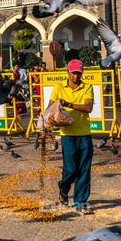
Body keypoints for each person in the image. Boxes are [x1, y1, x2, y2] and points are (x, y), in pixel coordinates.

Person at [47, 59, 96, 215]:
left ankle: (81, 201)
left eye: (78, 73)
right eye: (73, 73)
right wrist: (50, 119)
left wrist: (68, 104)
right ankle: (63, 189)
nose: (76, 76)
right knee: (70, 169)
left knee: (84, 169)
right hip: (67, 135)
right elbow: (49, 107)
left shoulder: (87, 87)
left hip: (84, 134)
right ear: (67, 72)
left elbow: (88, 107)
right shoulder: (59, 87)